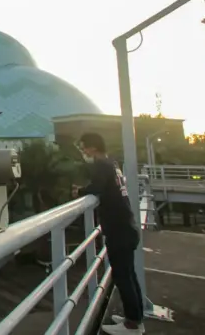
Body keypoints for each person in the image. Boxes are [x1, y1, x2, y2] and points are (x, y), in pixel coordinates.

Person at [72, 132, 145, 335]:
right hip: (126, 226)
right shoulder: (111, 163)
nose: (83, 151)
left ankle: (132, 324)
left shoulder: (100, 165)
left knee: (123, 276)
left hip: (118, 230)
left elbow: (97, 187)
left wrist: (79, 191)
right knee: (129, 275)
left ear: (92, 147)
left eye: (84, 146)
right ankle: (135, 317)